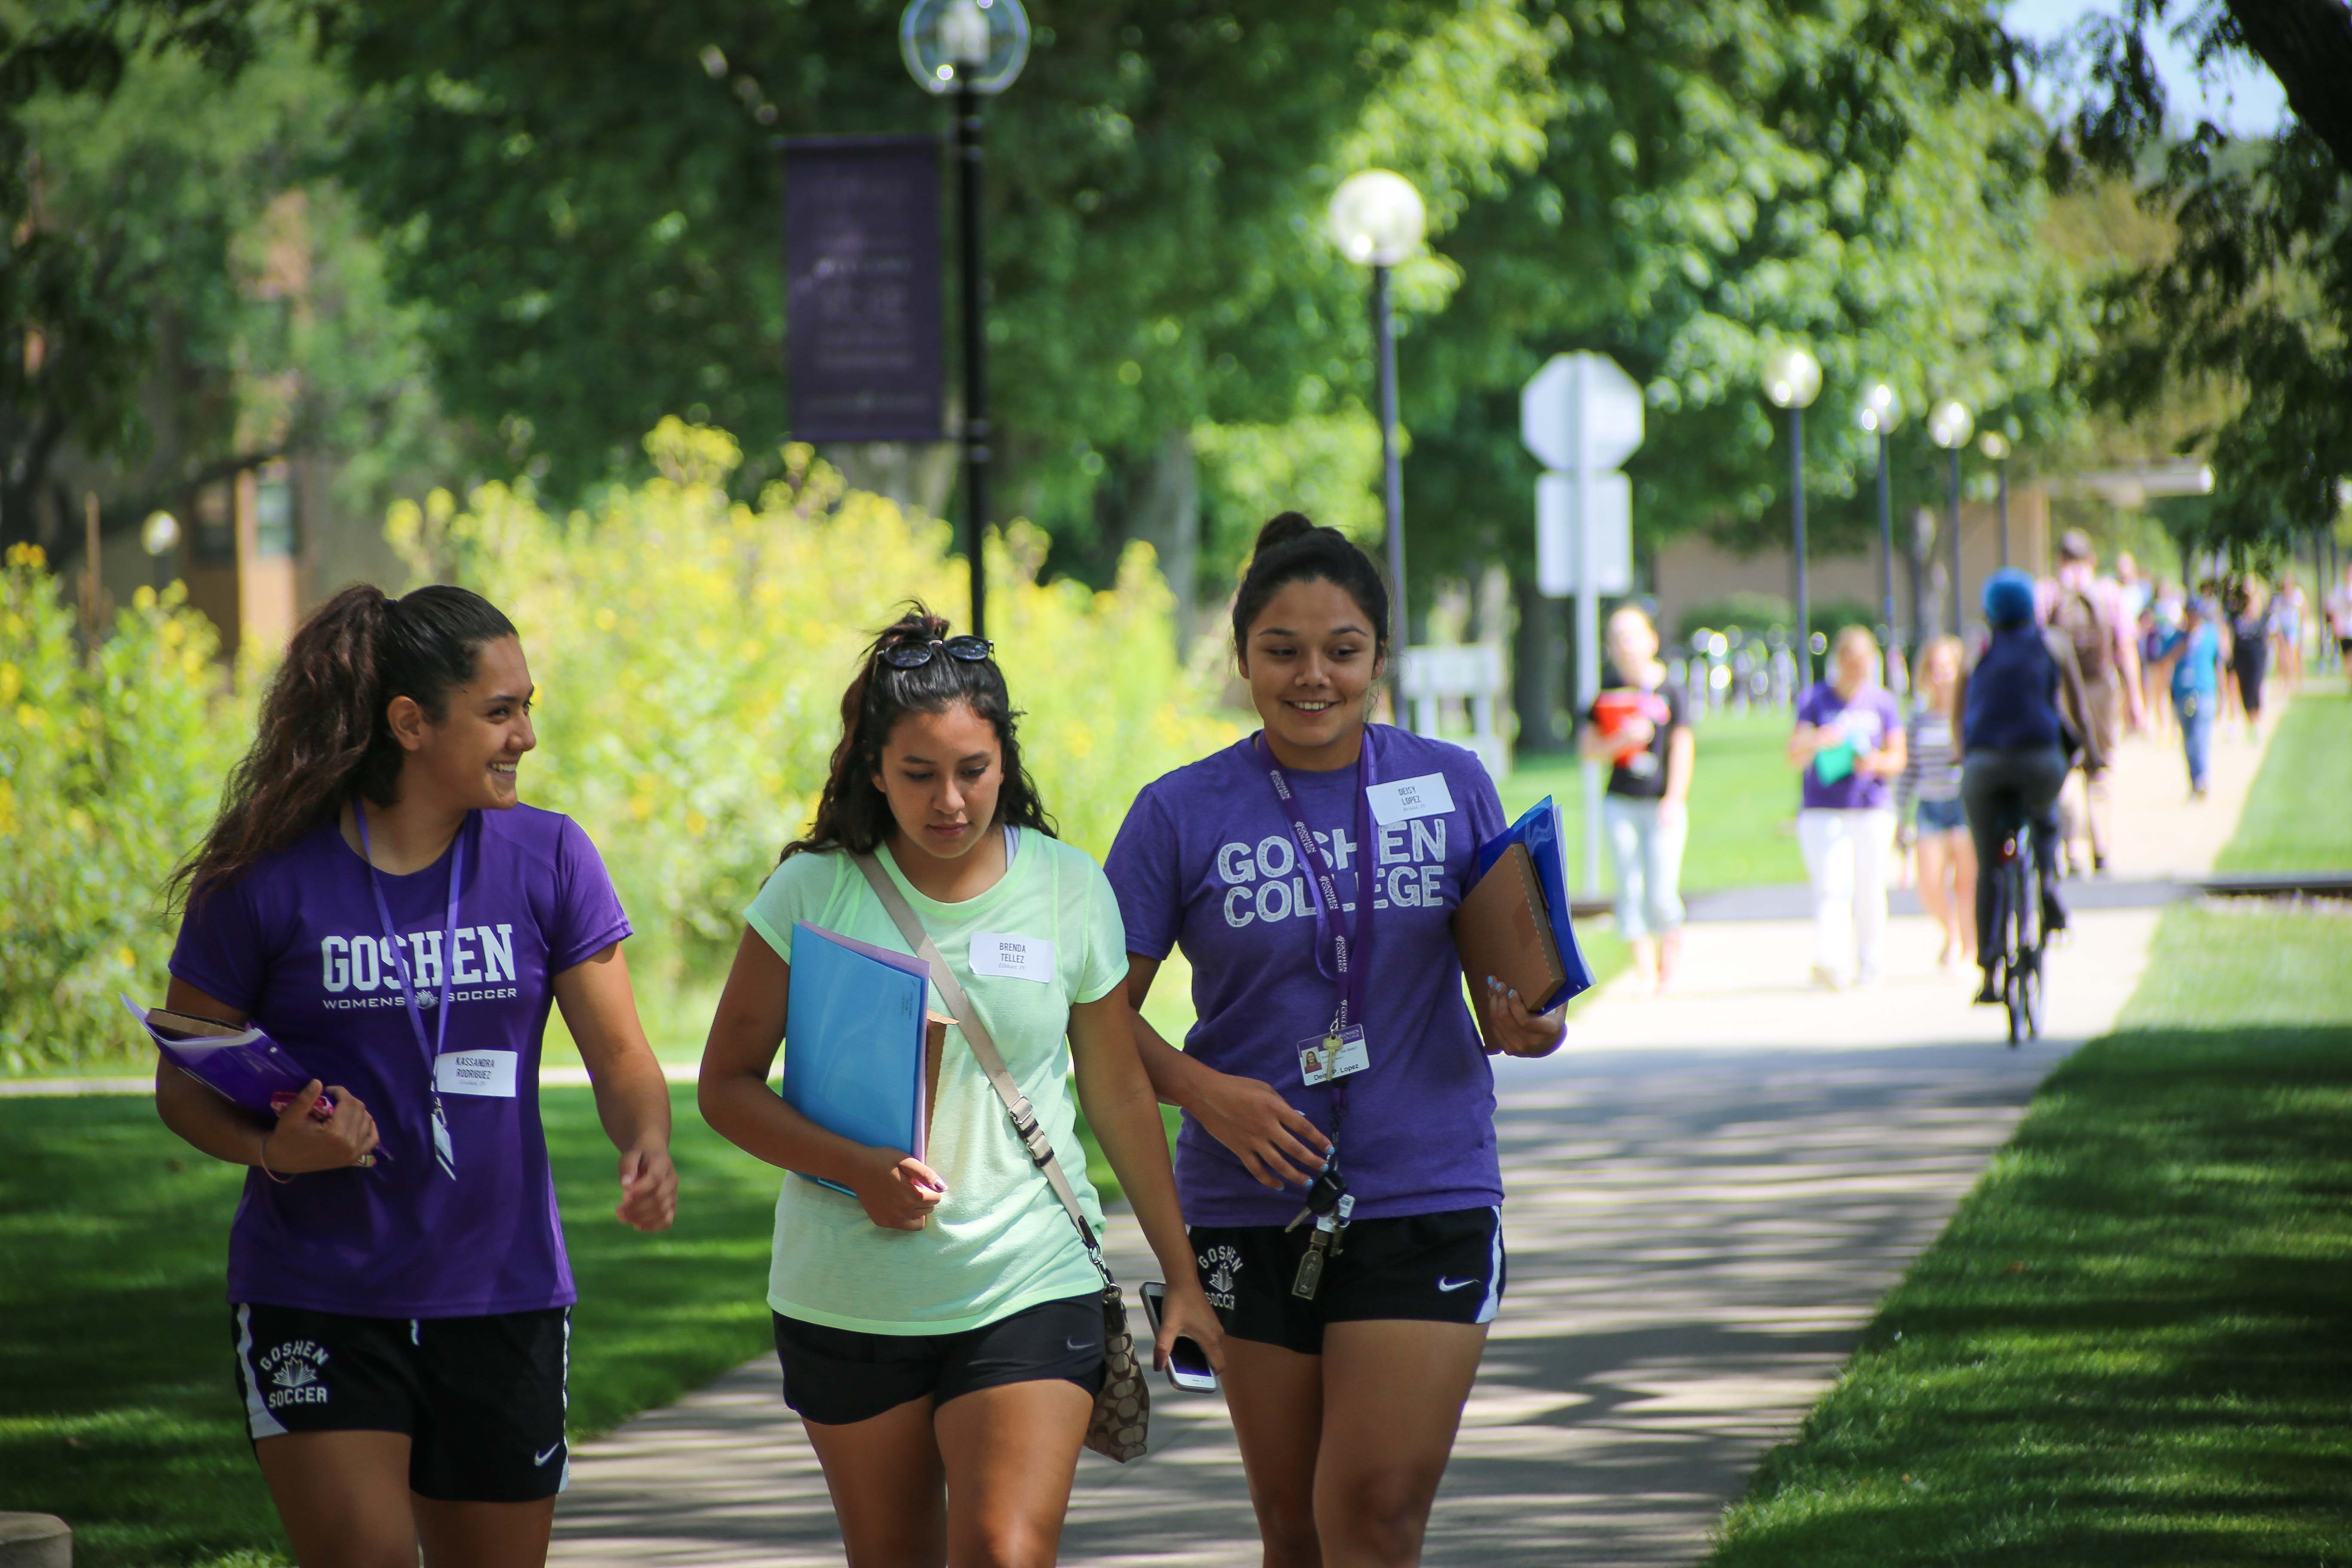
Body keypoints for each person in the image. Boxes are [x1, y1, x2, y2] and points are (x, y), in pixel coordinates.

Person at [156, 584, 679, 1568]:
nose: (525, 733)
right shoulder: (265, 879)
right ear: (409, 723)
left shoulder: (550, 856)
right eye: (499, 711)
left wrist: (645, 1141)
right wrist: (274, 1150)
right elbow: (182, 1083)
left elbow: (621, 1058)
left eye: (529, 705)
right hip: (316, 1296)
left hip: (503, 1295)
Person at [697, 608, 1219, 1568]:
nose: (950, 802)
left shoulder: (1067, 888)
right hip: (847, 1294)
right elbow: (725, 1087)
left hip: (1029, 1279)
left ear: (1005, 764)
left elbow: (1117, 1095)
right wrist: (857, 1169)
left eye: (974, 771)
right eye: (919, 775)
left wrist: (1181, 1277)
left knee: (1003, 1551)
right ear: (872, 770)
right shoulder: (812, 892)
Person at [1104, 512, 1566, 1568]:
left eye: (1340, 650)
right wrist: (1202, 1091)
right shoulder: (1178, 813)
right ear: (1242, 660)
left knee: (1373, 1512)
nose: (1312, 676)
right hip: (1246, 1205)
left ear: (1377, 658)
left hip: (1426, 1191)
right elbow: (1094, 1017)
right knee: (1298, 1532)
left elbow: (1517, 984)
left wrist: (1523, 1021)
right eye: (1282, 651)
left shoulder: (1449, 785)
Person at [1956, 569, 2104, 1004]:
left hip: (1984, 762)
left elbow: (1959, 708)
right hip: (2040, 758)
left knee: (1988, 864)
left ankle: (1987, 970)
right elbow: (2077, 705)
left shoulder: (1976, 645)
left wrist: (1960, 749)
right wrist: (2092, 753)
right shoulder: (2053, 642)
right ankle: (2049, 891)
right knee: (2044, 819)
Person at [1579, 604, 1694, 994]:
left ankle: (1670, 962)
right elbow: (1588, 748)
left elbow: (1682, 745)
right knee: (1629, 886)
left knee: (1662, 887)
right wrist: (1621, 742)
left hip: (1662, 801)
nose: (1625, 646)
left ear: (1651, 640)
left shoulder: (1672, 690)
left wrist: (1675, 798)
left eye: (1632, 636)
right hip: (1622, 801)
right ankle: (1644, 971)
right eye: (1617, 638)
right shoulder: (1607, 691)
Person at [1788, 626, 1908, 989]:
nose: (1858, 670)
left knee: (1870, 886)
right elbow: (1794, 754)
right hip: (1824, 805)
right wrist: (1819, 739)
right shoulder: (1816, 700)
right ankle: (1832, 959)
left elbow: (1897, 757)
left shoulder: (1882, 703)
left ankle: (1870, 960)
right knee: (1831, 884)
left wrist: (1873, 762)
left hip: (1870, 804)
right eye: (1851, 662)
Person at [2038, 530, 2141, 875]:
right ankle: (2102, 848)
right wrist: (2135, 701)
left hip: (2059, 694)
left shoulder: (2048, 593)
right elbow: (2125, 649)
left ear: (2060, 560)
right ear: (2092, 559)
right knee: (2099, 773)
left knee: (2063, 775)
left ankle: (2071, 852)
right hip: (2099, 693)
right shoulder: (2109, 594)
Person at [1896, 636, 1974, 974]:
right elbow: (1908, 770)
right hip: (1930, 805)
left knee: (1966, 883)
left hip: (1964, 804)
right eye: (1935, 668)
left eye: (1948, 667)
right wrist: (1902, 817)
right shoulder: (1918, 718)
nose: (1941, 675)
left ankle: (1969, 944)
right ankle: (1952, 931)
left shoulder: (1971, 714)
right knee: (1928, 883)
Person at [2150, 595, 2225, 797]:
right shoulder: (2177, 637)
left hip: (2204, 691)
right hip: (2183, 693)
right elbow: (2161, 661)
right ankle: (2194, 780)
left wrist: (2223, 695)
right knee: (2188, 741)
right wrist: (2178, 651)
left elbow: (2219, 665)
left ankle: (2202, 779)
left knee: (2200, 738)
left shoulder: (2211, 635)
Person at [2227, 574, 2272, 739]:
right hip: (2241, 654)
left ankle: (2256, 723)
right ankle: (2249, 721)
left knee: (2255, 686)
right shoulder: (2235, 610)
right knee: (2244, 689)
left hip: (2256, 654)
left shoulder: (2261, 610)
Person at [2270, 574, 2307, 690]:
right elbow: (2274, 614)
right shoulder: (2279, 599)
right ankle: (2283, 679)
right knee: (2282, 655)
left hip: (2293, 627)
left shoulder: (2297, 595)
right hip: (2282, 627)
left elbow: (2304, 610)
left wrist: (2302, 626)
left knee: (2293, 654)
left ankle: (2294, 679)